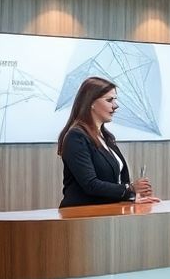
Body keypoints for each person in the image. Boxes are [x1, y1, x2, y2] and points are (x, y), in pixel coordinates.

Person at [57, 76, 158, 207]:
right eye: (109, 100)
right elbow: (90, 185)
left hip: (107, 215)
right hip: (82, 217)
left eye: (115, 100)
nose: (116, 106)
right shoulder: (76, 137)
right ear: (91, 102)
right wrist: (130, 188)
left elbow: (118, 181)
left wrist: (134, 196)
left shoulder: (107, 138)